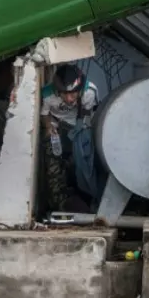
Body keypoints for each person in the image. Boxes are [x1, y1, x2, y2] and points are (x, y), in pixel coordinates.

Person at [40, 64, 101, 212]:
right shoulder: (47, 95)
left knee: (85, 161)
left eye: (73, 94)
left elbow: (88, 116)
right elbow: (44, 115)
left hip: (79, 126)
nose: (68, 99)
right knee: (52, 161)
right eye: (64, 94)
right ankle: (58, 200)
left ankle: (89, 198)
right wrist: (49, 127)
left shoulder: (89, 92)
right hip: (56, 125)